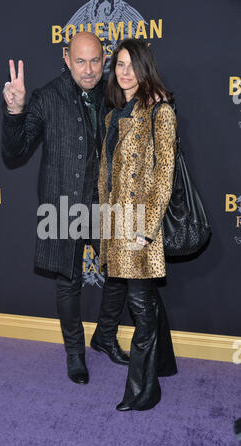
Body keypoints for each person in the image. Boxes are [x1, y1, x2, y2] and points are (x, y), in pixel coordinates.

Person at [1, 32, 129, 386]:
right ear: (66, 58)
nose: (88, 70)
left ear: (104, 59)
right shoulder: (45, 97)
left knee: (120, 273)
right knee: (68, 281)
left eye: (95, 61)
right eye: (80, 61)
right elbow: (15, 151)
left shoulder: (115, 94)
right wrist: (15, 110)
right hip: (62, 202)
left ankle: (104, 335)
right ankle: (75, 353)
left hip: (104, 202)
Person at [96, 38, 178, 411]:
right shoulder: (114, 115)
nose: (123, 72)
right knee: (145, 299)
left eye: (130, 64)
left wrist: (148, 226)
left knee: (140, 306)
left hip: (139, 226)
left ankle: (144, 390)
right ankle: (163, 363)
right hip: (116, 224)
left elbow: (165, 175)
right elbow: (106, 175)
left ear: (144, 67)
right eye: (119, 64)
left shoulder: (160, 113)